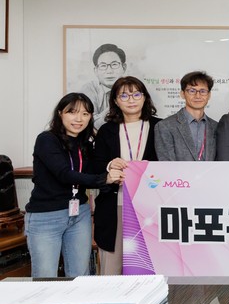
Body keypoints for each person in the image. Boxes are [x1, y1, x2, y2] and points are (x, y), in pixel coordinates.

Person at [25, 93, 124, 277]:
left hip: (79, 214)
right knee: (45, 277)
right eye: (72, 112)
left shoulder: (85, 143)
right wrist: (104, 179)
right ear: (60, 113)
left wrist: (111, 165)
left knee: (80, 276)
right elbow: (64, 174)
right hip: (46, 217)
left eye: (85, 114)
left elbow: (93, 169)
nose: (79, 119)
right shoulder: (47, 139)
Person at [93, 76, 161, 275]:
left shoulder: (160, 126)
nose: (131, 100)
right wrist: (109, 166)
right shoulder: (106, 130)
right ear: (115, 100)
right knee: (111, 269)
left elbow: (168, 164)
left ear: (144, 97)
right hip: (116, 204)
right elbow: (95, 165)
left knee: (149, 267)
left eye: (136, 94)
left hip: (150, 207)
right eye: (124, 95)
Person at [154, 71, 218, 161]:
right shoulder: (165, 126)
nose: (198, 96)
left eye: (203, 91)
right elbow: (166, 163)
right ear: (182, 94)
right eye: (192, 91)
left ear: (209, 95)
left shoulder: (216, 127)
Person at [81, 43, 128, 128]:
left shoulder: (134, 89)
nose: (109, 71)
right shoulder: (89, 90)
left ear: (124, 67)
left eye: (114, 64)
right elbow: (90, 125)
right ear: (96, 70)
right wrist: (116, 104)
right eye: (103, 66)